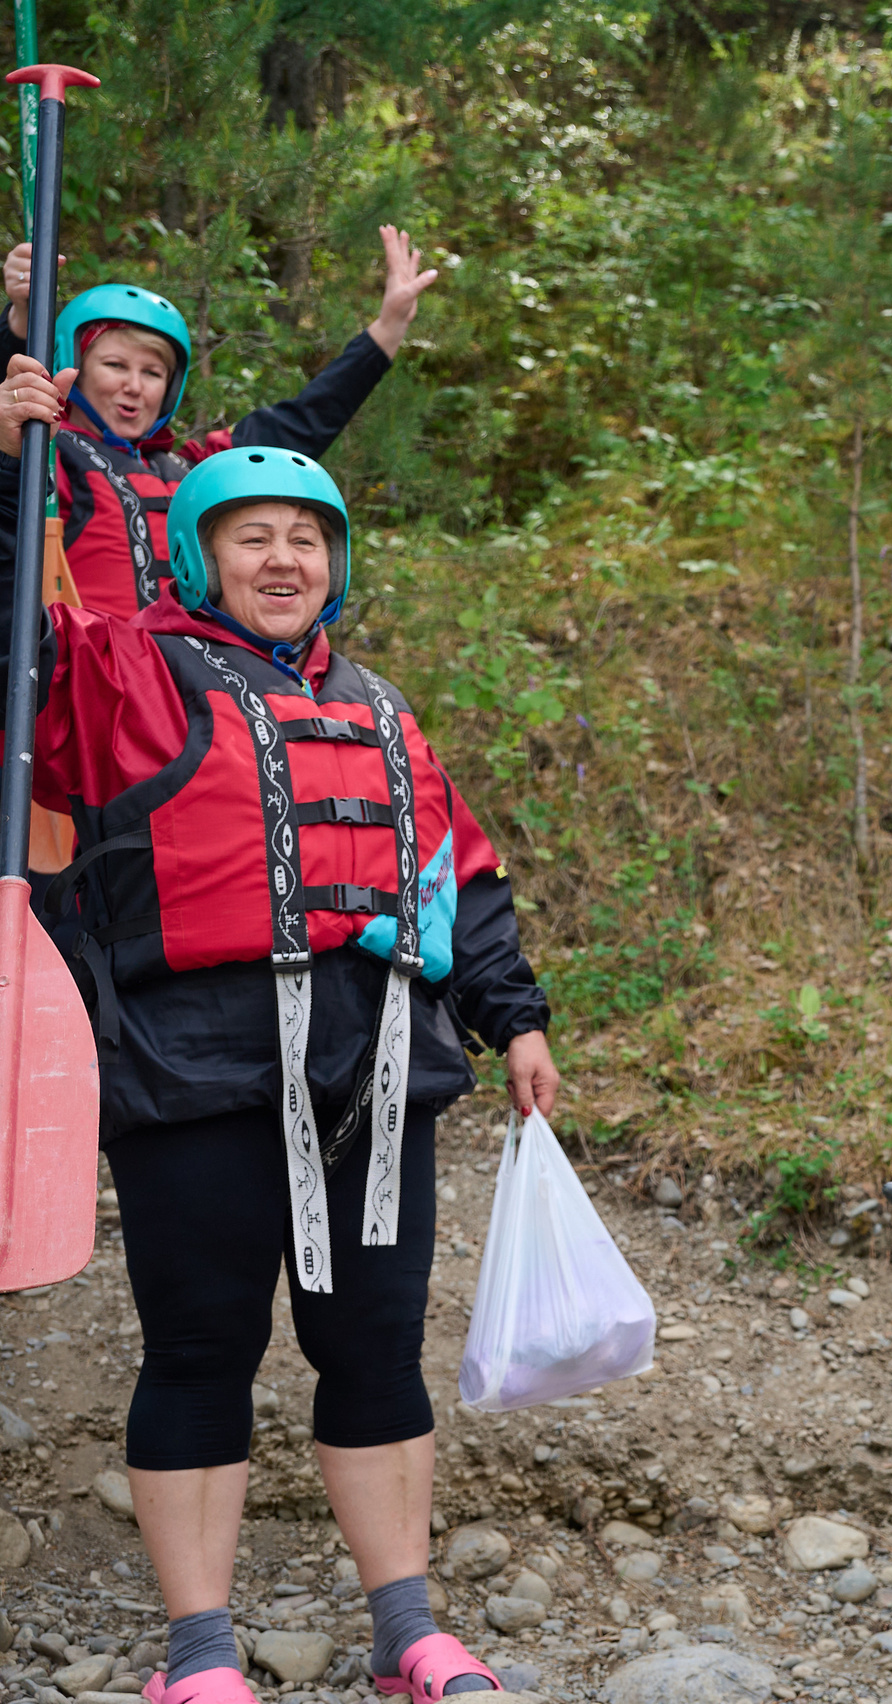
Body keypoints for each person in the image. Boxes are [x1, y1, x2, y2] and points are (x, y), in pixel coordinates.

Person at [0, 368, 555, 1704]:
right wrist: (8, 465)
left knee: (371, 1340)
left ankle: (406, 1630)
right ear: (198, 554)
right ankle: (197, 1653)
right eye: (251, 534)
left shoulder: (377, 705)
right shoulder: (119, 675)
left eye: (307, 538)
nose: (282, 556)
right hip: (191, 1060)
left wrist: (515, 1015)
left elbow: (452, 877)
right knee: (201, 1342)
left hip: (370, 1064)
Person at [1, 224, 437, 616]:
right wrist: (21, 322)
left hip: (180, 689)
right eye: (115, 365)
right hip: (83, 683)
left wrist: (388, 329)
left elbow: (302, 421)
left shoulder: (193, 470)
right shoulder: (44, 451)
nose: (135, 386)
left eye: (152, 373)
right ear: (72, 364)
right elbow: (8, 465)